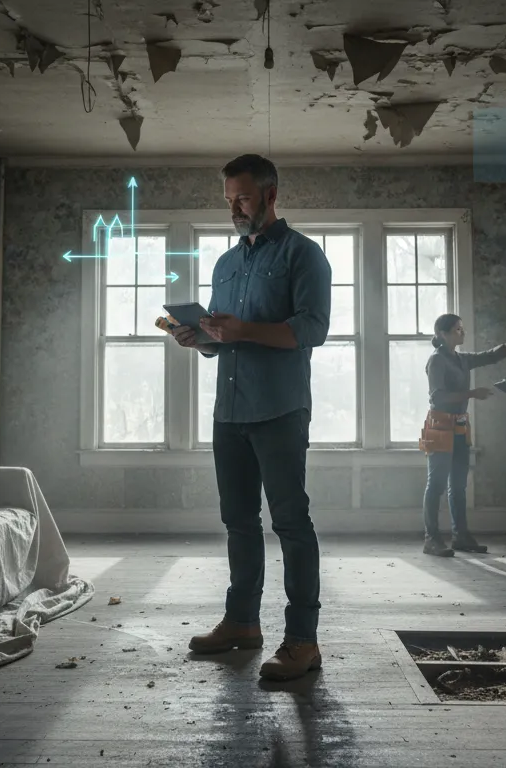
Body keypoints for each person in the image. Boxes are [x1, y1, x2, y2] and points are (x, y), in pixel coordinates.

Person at [171, 154, 332, 681]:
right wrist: (199, 339)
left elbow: (310, 330)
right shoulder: (225, 264)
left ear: (270, 195)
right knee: (238, 522)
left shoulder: (304, 256)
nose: (234, 209)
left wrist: (241, 331)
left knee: (290, 522)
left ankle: (303, 641)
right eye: (228, 200)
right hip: (230, 411)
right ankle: (241, 623)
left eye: (241, 198)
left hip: (281, 409)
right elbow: (224, 341)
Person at [420, 314, 506, 557]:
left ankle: (460, 536)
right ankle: (431, 538)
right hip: (441, 427)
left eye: (462, 329)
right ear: (443, 334)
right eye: (457, 330)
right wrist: (472, 393)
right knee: (437, 484)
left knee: (459, 486)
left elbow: (491, 355)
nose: (462, 333)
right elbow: (438, 397)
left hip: (461, 428)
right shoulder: (437, 361)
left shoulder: (462, 359)